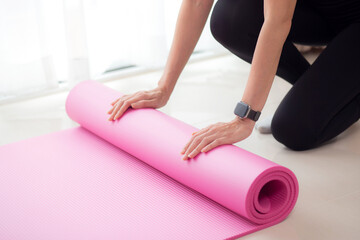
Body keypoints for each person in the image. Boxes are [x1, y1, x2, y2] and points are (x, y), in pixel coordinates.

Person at [108, 0, 360, 160]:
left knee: (293, 131)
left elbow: (277, 21)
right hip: (323, 12)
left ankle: (337, 95)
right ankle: (333, 96)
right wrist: (163, 88)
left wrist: (244, 118)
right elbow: (197, 2)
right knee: (230, 18)